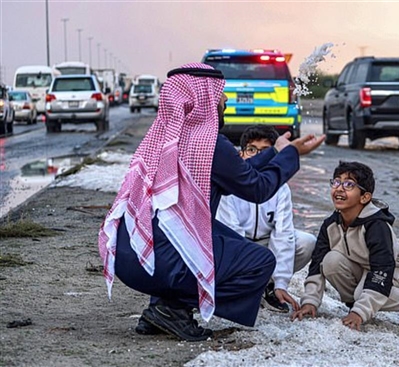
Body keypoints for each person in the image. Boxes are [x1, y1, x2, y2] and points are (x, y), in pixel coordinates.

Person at [98, 63, 325, 342]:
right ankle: (173, 308)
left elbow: (239, 171)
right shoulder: (210, 146)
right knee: (260, 262)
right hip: (163, 261)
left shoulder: (162, 138)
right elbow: (257, 188)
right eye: (220, 94)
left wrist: (275, 153)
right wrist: (290, 155)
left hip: (130, 257)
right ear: (202, 98)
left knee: (222, 239)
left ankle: (161, 306)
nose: (226, 100)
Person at [291, 161, 399, 331]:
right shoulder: (330, 225)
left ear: (365, 197)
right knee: (330, 261)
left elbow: (382, 271)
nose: (340, 188)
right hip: (360, 266)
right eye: (336, 182)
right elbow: (316, 268)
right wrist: (310, 303)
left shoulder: (376, 225)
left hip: (392, 270)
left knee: (362, 293)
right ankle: (357, 303)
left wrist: (360, 313)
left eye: (349, 184)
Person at [216, 125, 317, 313]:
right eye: (251, 150)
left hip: (265, 242)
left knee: (306, 242)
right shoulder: (230, 187)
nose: (256, 156)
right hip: (237, 245)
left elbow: (283, 233)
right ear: (242, 154)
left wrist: (281, 282)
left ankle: (269, 288)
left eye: (265, 151)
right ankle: (244, 289)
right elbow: (233, 236)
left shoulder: (281, 189)